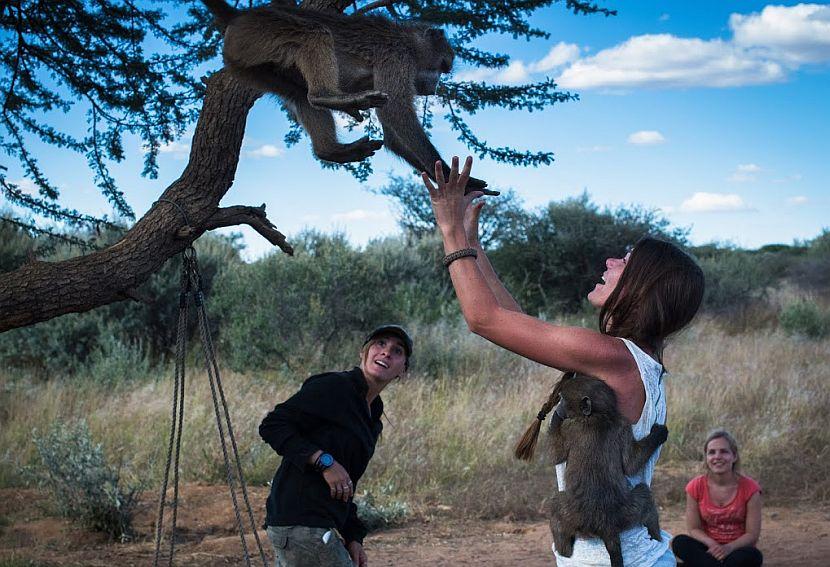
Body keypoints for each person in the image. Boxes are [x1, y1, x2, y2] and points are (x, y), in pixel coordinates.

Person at [422, 157, 705, 566]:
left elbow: (482, 319)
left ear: (644, 288)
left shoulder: (614, 357)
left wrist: (449, 229)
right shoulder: (631, 358)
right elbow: (510, 321)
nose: (610, 262)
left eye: (624, 261)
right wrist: (473, 243)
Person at [259, 325, 413, 567]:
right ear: (363, 352)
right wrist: (324, 461)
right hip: (302, 522)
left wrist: (353, 536)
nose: (386, 353)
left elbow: (347, 481)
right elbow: (272, 425)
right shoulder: (334, 387)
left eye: (397, 351)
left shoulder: (372, 416)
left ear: (403, 370)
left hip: (318, 525)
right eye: (380, 344)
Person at [671, 430, 763, 566]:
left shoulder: (750, 488)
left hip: (737, 550)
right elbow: (694, 528)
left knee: (754, 556)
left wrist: (728, 548)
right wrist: (713, 545)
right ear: (706, 458)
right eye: (712, 452)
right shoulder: (695, 486)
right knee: (679, 542)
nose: (717, 456)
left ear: (734, 456)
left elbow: (752, 535)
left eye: (724, 452)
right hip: (708, 549)